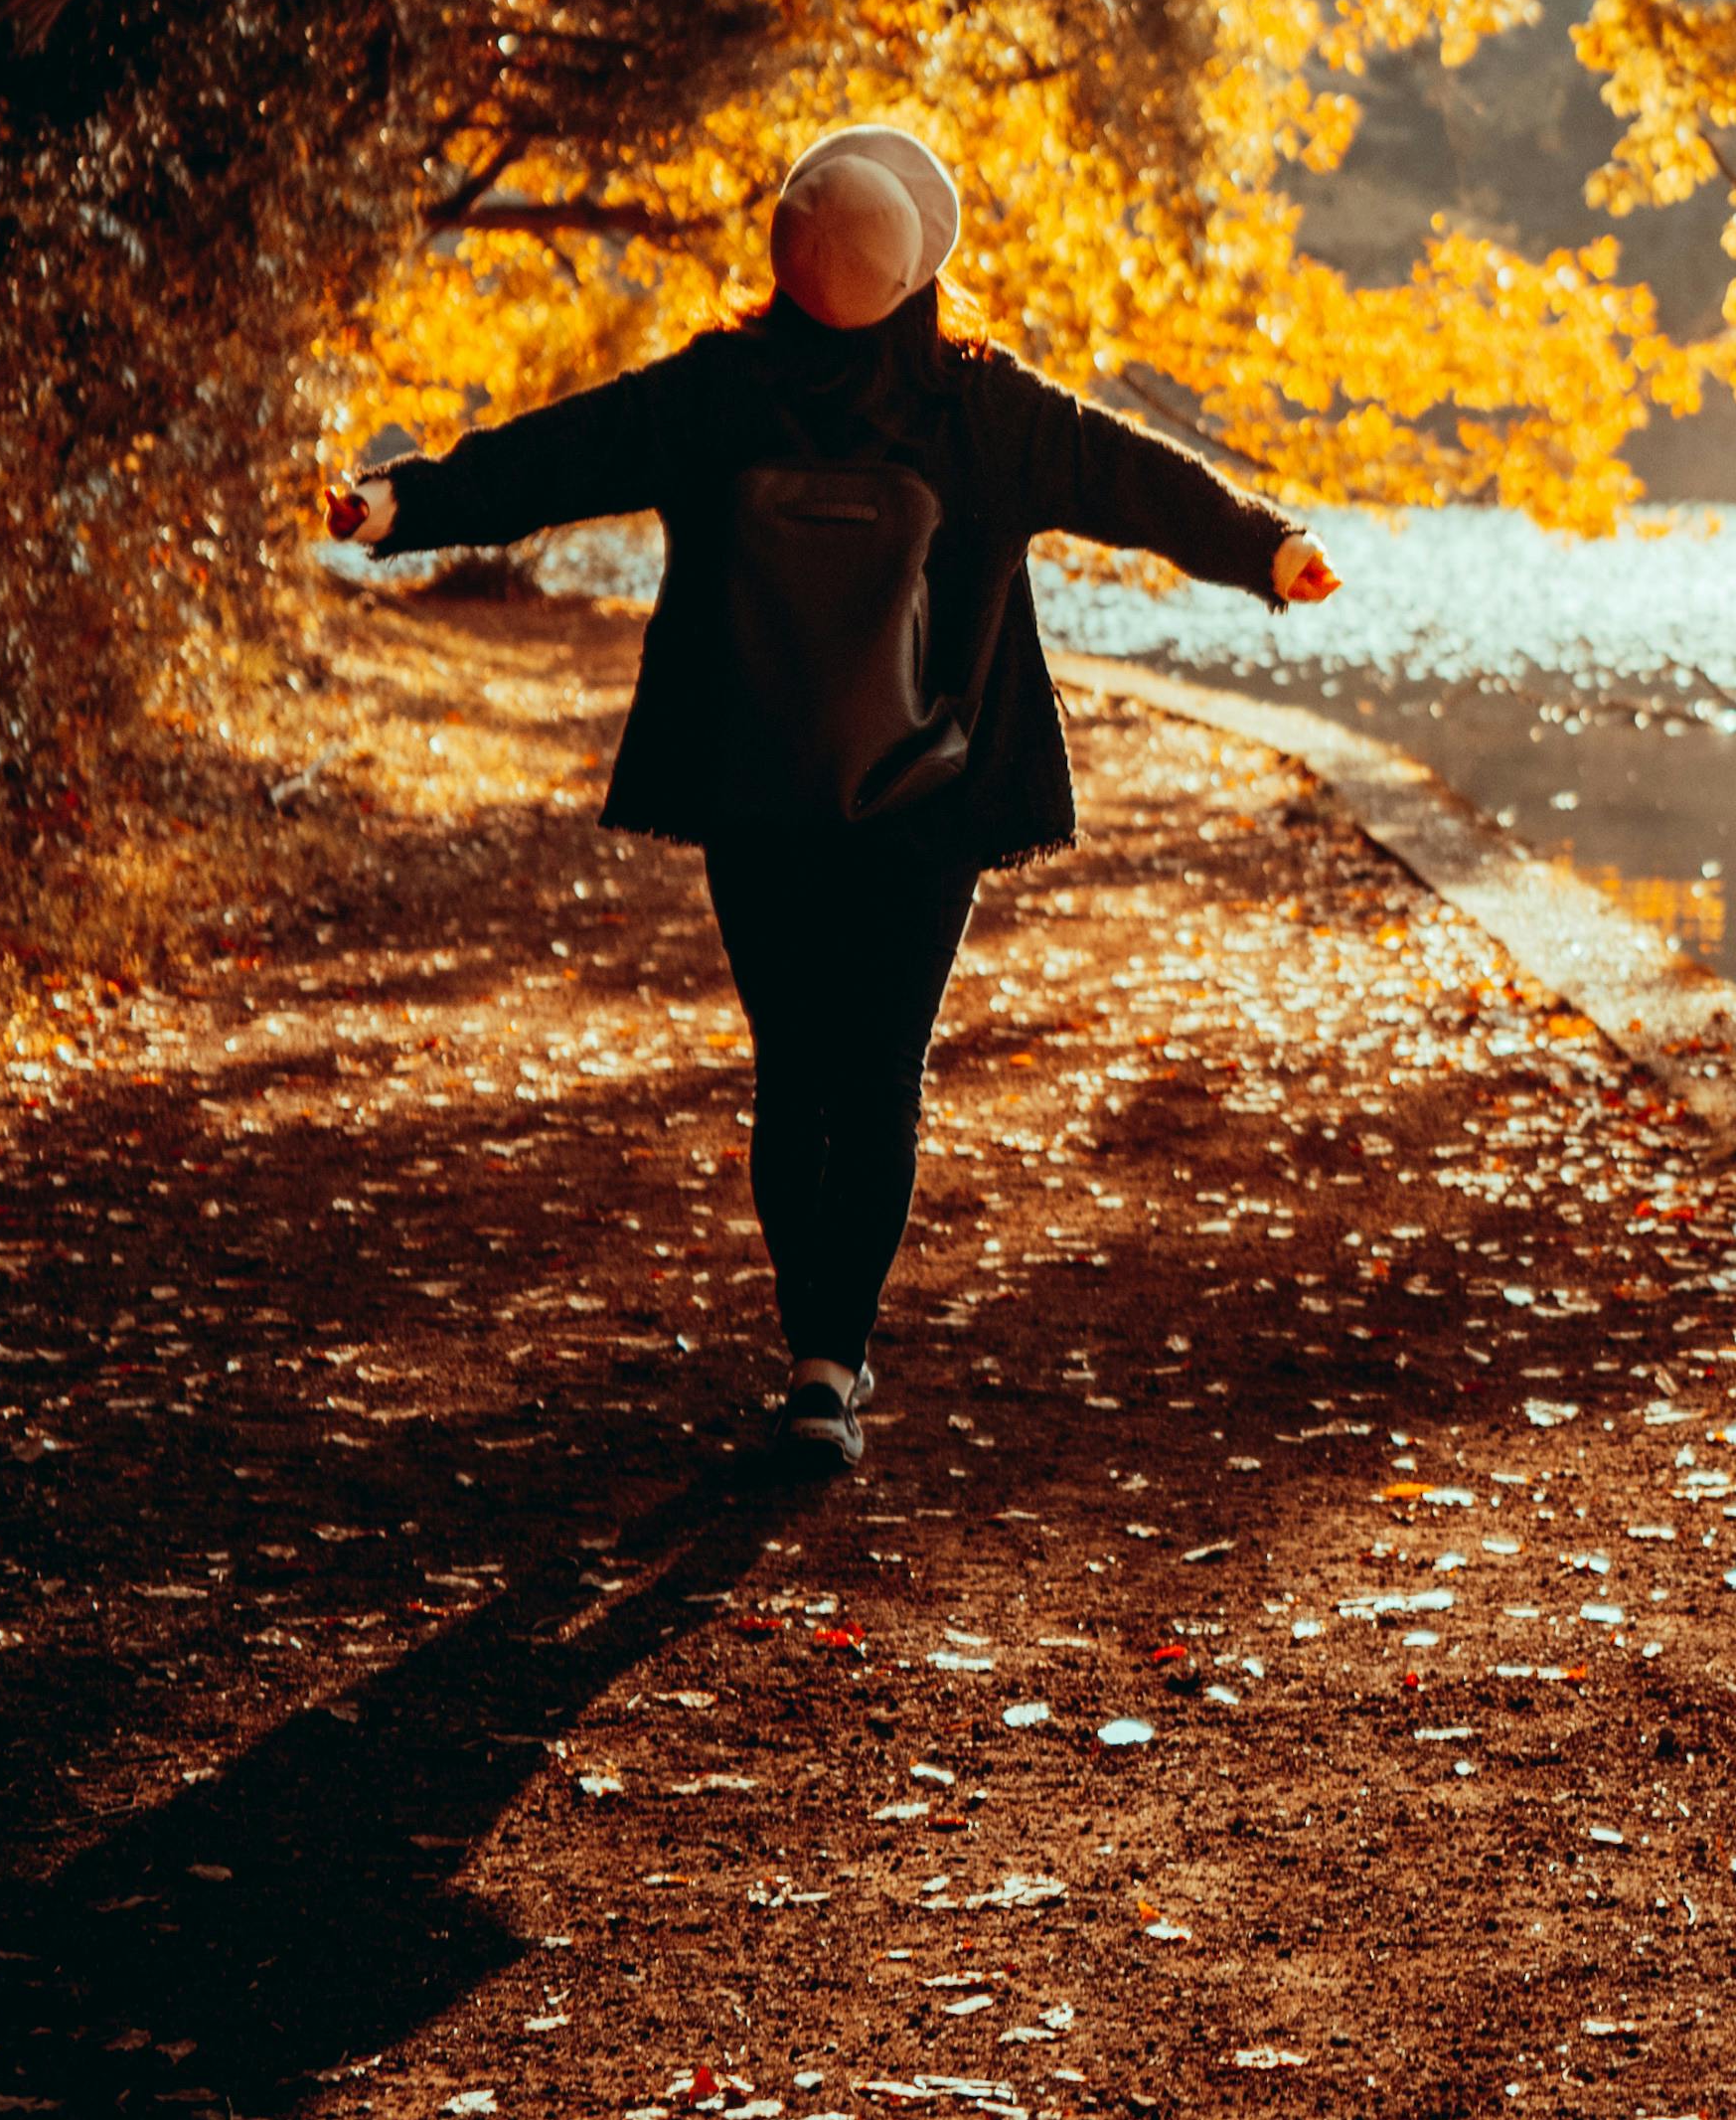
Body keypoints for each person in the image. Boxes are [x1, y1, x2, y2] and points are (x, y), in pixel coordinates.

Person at [330, 119, 1340, 1481]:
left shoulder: (718, 393)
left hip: (755, 784)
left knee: (794, 1064)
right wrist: (1268, 548)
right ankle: (829, 1360)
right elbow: (1134, 480)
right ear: (923, 268)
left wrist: (398, 506)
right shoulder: (987, 410)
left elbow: (554, 460)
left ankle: (811, 1334)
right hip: (931, 798)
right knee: (879, 1072)